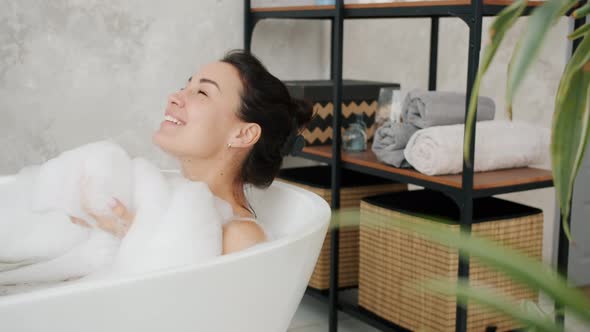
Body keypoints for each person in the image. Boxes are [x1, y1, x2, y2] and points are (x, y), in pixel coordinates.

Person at [71, 50, 313, 255]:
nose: (175, 97)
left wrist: (134, 234)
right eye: (185, 86)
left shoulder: (240, 238)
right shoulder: (156, 204)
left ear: (243, 135)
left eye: (202, 93)